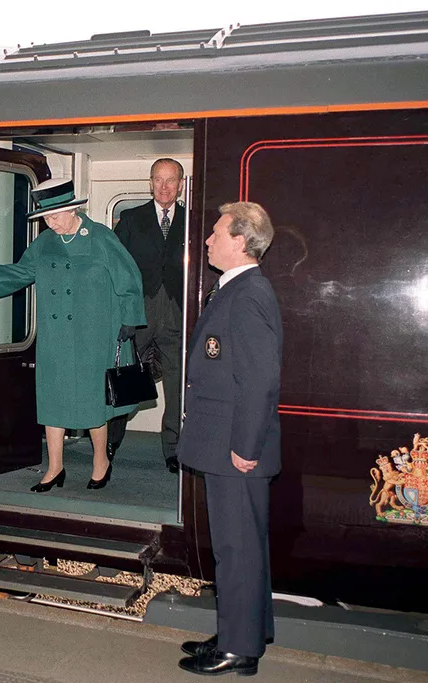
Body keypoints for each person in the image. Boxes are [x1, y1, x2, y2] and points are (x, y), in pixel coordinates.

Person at [0, 178, 146, 491]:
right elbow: (24, 272)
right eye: (45, 217)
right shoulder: (45, 243)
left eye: (56, 216)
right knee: (52, 398)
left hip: (94, 332)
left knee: (94, 400)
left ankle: (101, 461)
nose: (50, 222)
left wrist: (130, 319)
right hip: (56, 335)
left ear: (73, 209)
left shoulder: (100, 237)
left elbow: (129, 279)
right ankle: (55, 467)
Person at [176, 201, 282, 677]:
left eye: (216, 233)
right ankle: (244, 631)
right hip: (228, 442)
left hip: (235, 448)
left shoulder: (249, 294)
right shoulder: (235, 290)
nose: (207, 240)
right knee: (243, 544)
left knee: (235, 547)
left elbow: (260, 380)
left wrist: (245, 446)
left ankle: (240, 650)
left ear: (240, 241)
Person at [109, 158, 186, 473]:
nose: (164, 187)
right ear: (150, 182)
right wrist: (121, 312)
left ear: (181, 184)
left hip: (177, 311)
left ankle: (174, 451)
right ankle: (110, 440)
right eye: (159, 180)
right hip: (138, 312)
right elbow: (113, 267)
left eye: (171, 180)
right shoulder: (130, 219)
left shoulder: (193, 221)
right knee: (125, 376)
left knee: (177, 383)